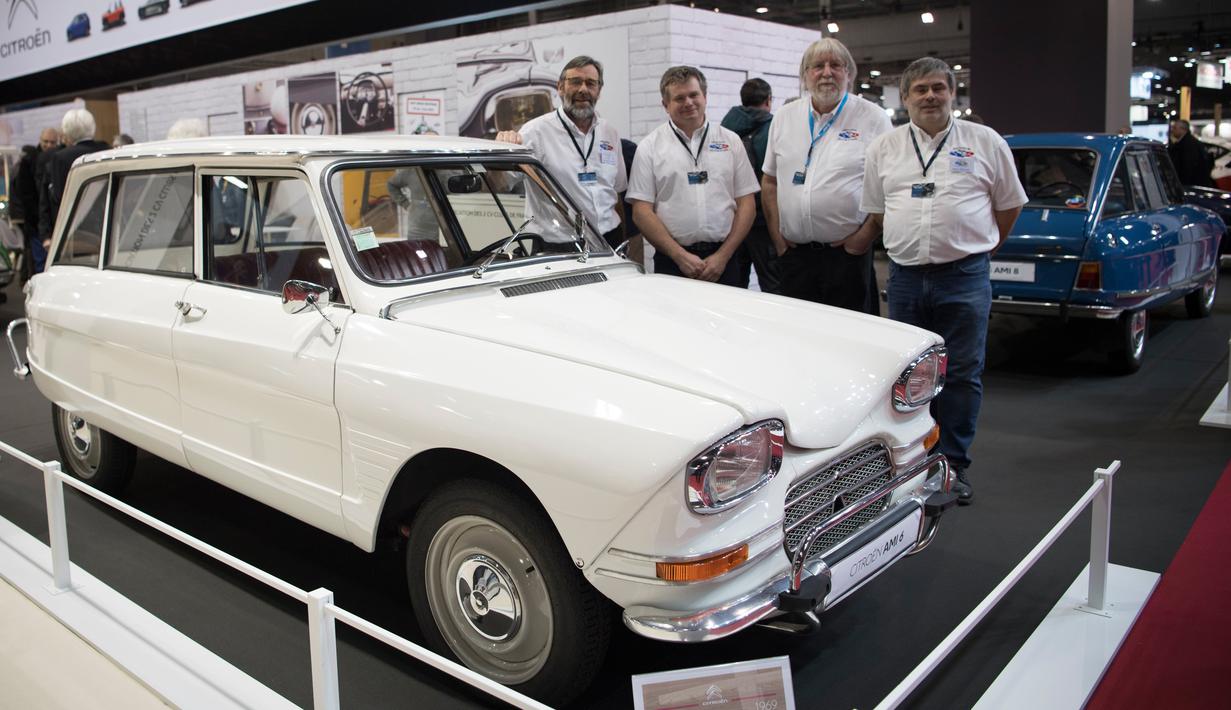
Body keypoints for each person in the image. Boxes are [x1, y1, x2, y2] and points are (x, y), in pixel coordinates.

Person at [847, 57, 1027, 505]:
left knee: (963, 373)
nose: (930, 96)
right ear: (904, 98)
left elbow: (1009, 205)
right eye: (920, 90)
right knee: (908, 377)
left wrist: (980, 245)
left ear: (953, 93)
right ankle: (911, 463)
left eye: (938, 88)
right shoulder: (885, 148)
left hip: (964, 277)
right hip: (906, 279)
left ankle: (953, 464)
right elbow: (878, 210)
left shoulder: (984, 142)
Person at [762, 37, 891, 313]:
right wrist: (777, 236)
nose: (827, 72)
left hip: (848, 258)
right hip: (794, 257)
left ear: (849, 73)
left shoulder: (874, 119)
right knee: (798, 337)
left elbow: (888, 188)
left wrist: (863, 238)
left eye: (836, 65)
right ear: (805, 74)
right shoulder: (784, 117)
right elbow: (770, 181)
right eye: (817, 66)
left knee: (852, 341)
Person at [627, 66, 758, 286]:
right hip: (672, 262)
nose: (688, 102)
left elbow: (747, 204)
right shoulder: (649, 147)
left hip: (725, 260)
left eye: (694, 95)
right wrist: (679, 256)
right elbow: (641, 211)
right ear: (665, 105)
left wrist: (723, 256)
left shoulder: (731, 141)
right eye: (679, 98)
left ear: (705, 97)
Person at [495, 55, 629, 254]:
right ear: (560, 87)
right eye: (575, 82)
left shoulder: (609, 133)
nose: (583, 89)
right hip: (557, 246)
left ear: (599, 91)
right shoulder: (534, 132)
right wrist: (501, 150)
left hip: (609, 239)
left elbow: (616, 192)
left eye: (591, 83)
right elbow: (501, 183)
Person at [720, 77, 781, 293]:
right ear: (768, 100)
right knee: (773, 283)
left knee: (736, 285)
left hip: (733, 221)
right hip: (764, 221)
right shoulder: (773, 129)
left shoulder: (724, 129)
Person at [41, 109, 110, 263]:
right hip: (108, 226)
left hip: (74, 232)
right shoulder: (107, 151)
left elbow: (59, 197)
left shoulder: (61, 158)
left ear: (67, 131)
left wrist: (46, 235)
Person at [1168, 119, 1214, 187]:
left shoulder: (1188, 145)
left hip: (1191, 185)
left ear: (1183, 129)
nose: (1172, 130)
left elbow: (1188, 167)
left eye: (1174, 128)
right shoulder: (1188, 142)